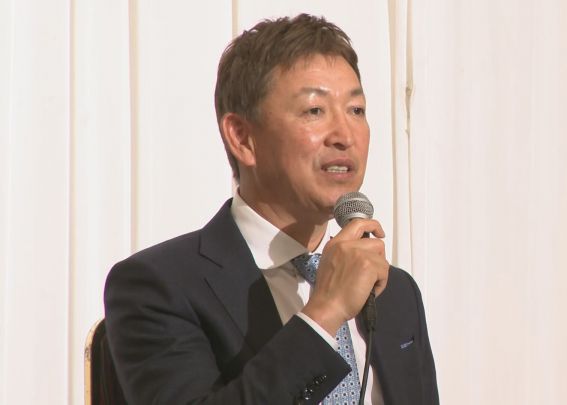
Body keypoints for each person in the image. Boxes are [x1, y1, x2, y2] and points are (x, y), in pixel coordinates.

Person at [104, 13, 438, 404]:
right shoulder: (158, 287)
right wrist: (326, 311)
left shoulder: (395, 292)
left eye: (356, 110)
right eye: (314, 111)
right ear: (242, 138)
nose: (345, 136)